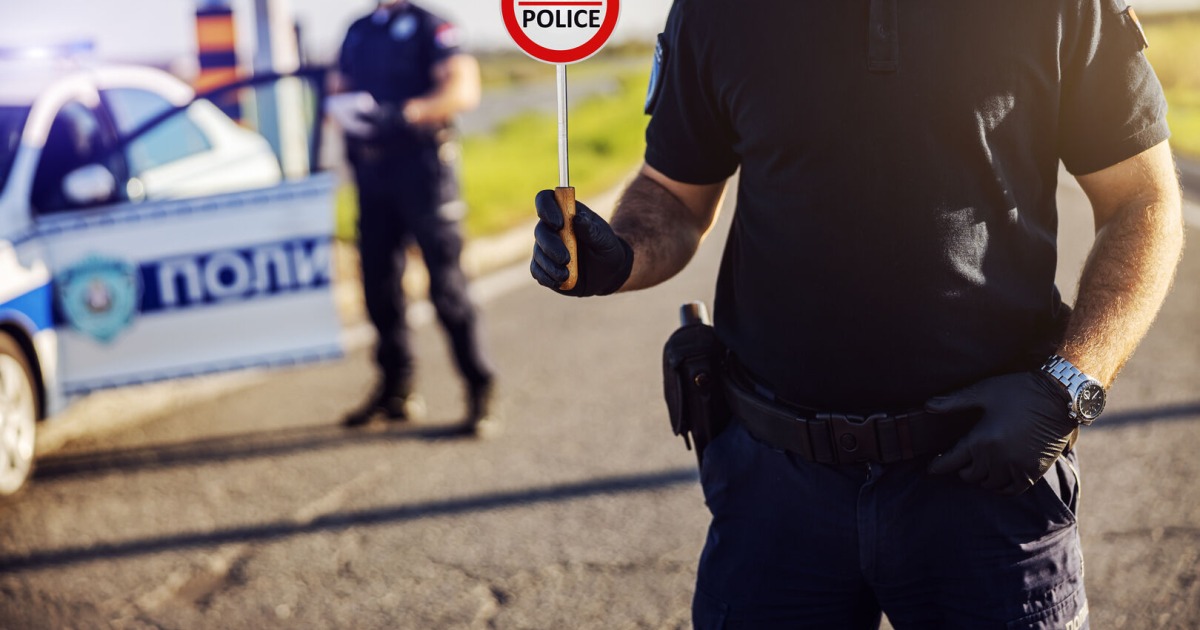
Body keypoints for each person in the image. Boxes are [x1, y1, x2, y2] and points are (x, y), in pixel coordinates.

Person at [530, 0, 1184, 627]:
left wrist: (1070, 387)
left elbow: (1142, 202)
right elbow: (673, 194)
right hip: (774, 488)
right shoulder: (716, 8)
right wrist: (623, 253)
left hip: (990, 478)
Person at [332, 0, 496, 434]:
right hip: (371, 172)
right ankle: (396, 389)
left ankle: (479, 387)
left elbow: (463, 90)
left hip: (423, 171)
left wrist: (406, 112)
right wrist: (350, 113)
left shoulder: (432, 26)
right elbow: (337, 89)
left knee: (447, 286)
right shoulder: (358, 30)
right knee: (378, 286)